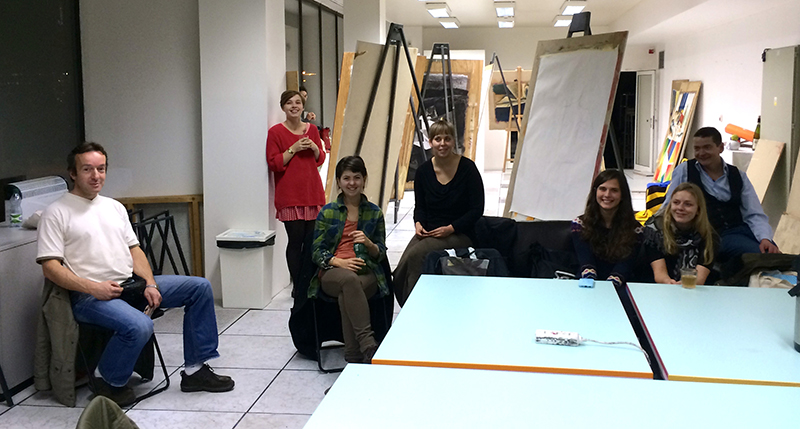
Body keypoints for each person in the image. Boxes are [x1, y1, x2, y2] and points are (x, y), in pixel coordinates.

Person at [37, 142, 234, 407]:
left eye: (101, 169)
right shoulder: (56, 212)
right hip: (89, 298)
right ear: (73, 173)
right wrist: (92, 288)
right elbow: (50, 268)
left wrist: (150, 283)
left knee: (198, 288)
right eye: (87, 169)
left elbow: (135, 251)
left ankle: (195, 371)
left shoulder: (114, 207)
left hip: (130, 286)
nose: (96, 176)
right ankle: (106, 380)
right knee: (140, 325)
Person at [394, 120, 485, 306]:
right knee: (402, 264)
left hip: (459, 232)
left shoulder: (468, 169)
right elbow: (420, 207)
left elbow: (477, 209)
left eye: (447, 138)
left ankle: (414, 307)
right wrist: (418, 224)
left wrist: (451, 228)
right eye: (437, 139)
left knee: (416, 256)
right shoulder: (423, 172)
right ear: (430, 142)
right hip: (430, 231)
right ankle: (407, 302)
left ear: (453, 141)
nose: (442, 143)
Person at [662, 127, 779, 267]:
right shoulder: (685, 170)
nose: (701, 153)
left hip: (740, 231)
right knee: (761, 257)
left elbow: (754, 213)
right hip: (708, 236)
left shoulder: (738, 176)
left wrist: (765, 238)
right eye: (697, 148)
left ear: (721, 148)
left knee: (775, 254)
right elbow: (669, 204)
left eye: (707, 147)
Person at [309, 156, 388, 363]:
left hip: (366, 272)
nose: (352, 183)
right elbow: (316, 251)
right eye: (346, 178)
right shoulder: (327, 212)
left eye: (356, 177)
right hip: (333, 273)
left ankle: (353, 356)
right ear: (338, 181)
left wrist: (370, 244)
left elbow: (381, 253)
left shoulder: (374, 212)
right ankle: (368, 343)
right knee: (348, 281)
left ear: (364, 180)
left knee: (349, 293)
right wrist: (338, 262)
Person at [266, 90, 326, 286]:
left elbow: (320, 160)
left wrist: (315, 148)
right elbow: (274, 163)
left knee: (311, 242)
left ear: (303, 105)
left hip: (312, 192)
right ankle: (298, 285)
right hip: (289, 195)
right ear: (283, 107)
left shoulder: (312, 130)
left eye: (298, 102)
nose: (294, 106)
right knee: (295, 240)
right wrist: (294, 149)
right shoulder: (275, 132)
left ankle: (310, 282)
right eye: (289, 103)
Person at [572, 169, 642, 286]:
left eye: (614, 190)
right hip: (588, 284)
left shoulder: (636, 230)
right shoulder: (579, 224)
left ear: (622, 195)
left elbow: (624, 267)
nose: (607, 195)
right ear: (595, 192)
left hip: (621, 285)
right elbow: (587, 265)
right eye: (602, 189)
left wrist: (609, 290)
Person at [644, 182, 717, 285]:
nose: (680, 208)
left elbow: (699, 278)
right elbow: (660, 275)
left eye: (688, 204)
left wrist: (684, 284)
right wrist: (670, 283)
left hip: (692, 289)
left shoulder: (709, 236)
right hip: (657, 287)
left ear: (698, 209)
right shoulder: (654, 230)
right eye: (676, 202)